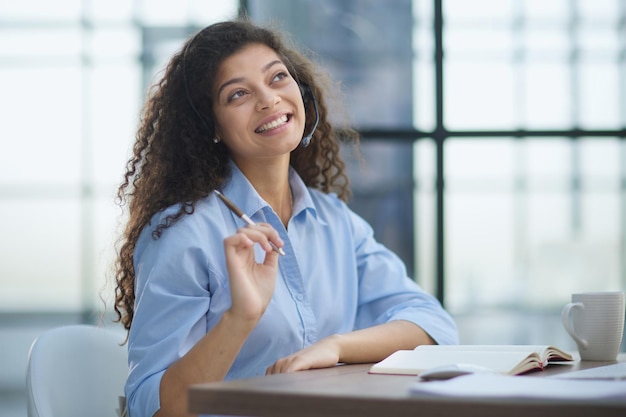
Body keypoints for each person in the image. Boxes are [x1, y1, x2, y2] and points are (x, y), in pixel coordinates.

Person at [113, 19, 458, 417]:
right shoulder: (182, 234)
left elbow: (433, 325)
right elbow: (151, 407)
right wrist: (239, 318)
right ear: (211, 127)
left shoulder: (335, 222)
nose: (268, 100)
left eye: (277, 78)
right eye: (238, 94)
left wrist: (335, 347)